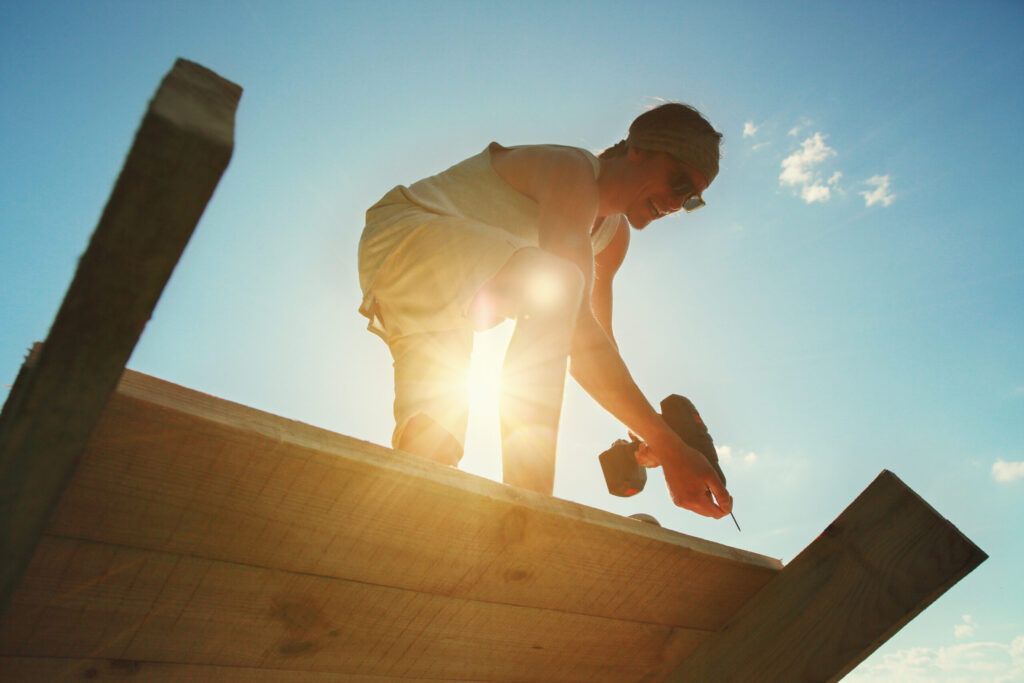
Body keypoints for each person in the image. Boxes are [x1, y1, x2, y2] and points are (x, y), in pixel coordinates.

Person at [357, 103, 732, 519]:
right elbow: (573, 325)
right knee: (557, 282)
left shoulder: (613, 238)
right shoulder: (570, 170)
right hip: (407, 237)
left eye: (693, 199)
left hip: (446, 302)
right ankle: (529, 507)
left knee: (431, 446)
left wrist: (641, 427)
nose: (678, 203)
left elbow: (595, 340)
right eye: (679, 182)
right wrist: (667, 443)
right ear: (639, 149)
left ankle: (414, 528)